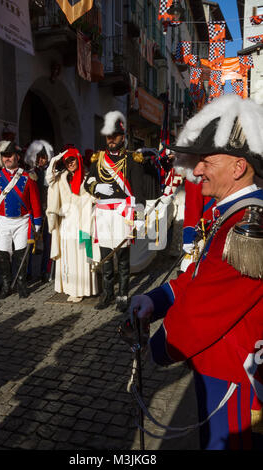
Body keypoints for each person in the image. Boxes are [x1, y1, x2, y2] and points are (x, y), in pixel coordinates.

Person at [129, 94, 263, 450]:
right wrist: (155, 299)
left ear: (238, 168)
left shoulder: (247, 224)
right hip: (218, 361)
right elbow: (199, 276)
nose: (196, 169)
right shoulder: (226, 213)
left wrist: (155, 348)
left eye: (206, 161)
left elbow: (206, 306)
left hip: (234, 369)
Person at [84, 111, 146, 312]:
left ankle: (123, 294)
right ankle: (107, 294)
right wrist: (96, 187)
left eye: (115, 136)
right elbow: (88, 182)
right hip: (103, 213)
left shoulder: (132, 159)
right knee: (106, 257)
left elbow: (138, 192)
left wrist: (138, 217)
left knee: (123, 259)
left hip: (122, 213)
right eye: (108, 136)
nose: (111, 140)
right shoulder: (98, 159)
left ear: (123, 137)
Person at [0, 141, 42, 299]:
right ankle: (6, 284)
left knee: (21, 252)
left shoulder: (27, 177)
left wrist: (37, 221)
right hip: (3, 221)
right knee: (3, 253)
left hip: (22, 221)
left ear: (17, 156)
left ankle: (22, 284)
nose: (7, 159)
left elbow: (35, 201)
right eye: (4, 156)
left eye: (10, 155)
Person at [46, 147, 98, 302]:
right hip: (65, 223)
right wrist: (57, 158)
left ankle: (82, 288)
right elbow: (48, 177)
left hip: (83, 222)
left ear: (78, 159)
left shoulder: (87, 177)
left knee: (82, 255)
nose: (70, 164)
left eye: (72, 160)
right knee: (68, 256)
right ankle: (70, 287)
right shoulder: (60, 178)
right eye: (67, 161)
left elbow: (95, 196)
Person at [24, 140, 54, 282]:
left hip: (48, 211)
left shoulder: (52, 173)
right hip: (33, 212)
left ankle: (45, 271)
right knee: (29, 243)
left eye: (43, 157)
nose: (41, 160)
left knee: (48, 243)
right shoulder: (30, 173)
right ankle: (28, 271)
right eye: (38, 158)